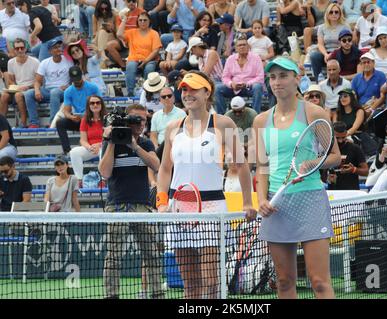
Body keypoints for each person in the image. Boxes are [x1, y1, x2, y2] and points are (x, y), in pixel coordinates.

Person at [156, 70, 256, 299]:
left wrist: (248, 202)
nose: (187, 94)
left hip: (212, 210)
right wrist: (162, 202)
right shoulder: (173, 127)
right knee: (189, 285)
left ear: (207, 92)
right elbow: (164, 169)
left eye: (193, 89)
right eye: (183, 89)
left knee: (211, 283)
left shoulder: (222, 123)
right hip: (179, 210)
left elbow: (241, 165)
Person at [252, 57, 341, 299]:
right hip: (276, 205)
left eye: (283, 76)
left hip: (310, 199)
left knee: (319, 281)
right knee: (283, 281)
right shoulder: (260, 121)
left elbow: (335, 157)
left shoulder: (314, 112)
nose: (277, 82)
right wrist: (261, 199)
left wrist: (312, 163)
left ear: (296, 79)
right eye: (272, 77)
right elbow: (262, 167)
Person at [99, 103, 163, 299]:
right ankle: (111, 296)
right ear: (126, 120)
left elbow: (156, 165)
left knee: (151, 254)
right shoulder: (111, 143)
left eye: (144, 120)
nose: (140, 124)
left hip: (142, 206)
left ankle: (157, 294)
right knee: (114, 257)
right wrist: (111, 141)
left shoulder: (145, 143)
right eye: (136, 119)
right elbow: (104, 172)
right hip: (116, 205)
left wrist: (134, 146)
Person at [23, 39, 73, 128]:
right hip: (47, 91)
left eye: (59, 47)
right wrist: (37, 90)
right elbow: (37, 81)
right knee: (28, 94)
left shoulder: (68, 61)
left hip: (63, 91)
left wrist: (69, 86)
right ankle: (34, 123)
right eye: (55, 47)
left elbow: (74, 78)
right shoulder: (45, 63)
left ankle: (53, 123)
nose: (58, 49)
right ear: (50, 51)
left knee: (55, 92)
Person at [56, 66, 102, 155]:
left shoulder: (93, 87)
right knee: (60, 123)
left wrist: (91, 115)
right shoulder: (68, 91)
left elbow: (100, 105)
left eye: (78, 79)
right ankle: (67, 151)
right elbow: (66, 111)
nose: (77, 82)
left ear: (82, 76)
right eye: (74, 80)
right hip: (79, 120)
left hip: (93, 119)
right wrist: (71, 117)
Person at [215, 35, 264, 114]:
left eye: (244, 45)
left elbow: (260, 77)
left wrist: (247, 84)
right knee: (217, 88)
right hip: (234, 87)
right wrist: (231, 84)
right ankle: (222, 116)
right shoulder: (230, 59)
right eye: (239, 45)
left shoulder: (256, 58)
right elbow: (225, 77)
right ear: (236, 48)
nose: (242, 47)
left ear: (248, 47)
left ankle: (255, 115)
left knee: (257, 86)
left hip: (249, 88)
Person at [117, 11, 162, 97]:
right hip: (134, 58)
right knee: (130, 66)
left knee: (149, 68)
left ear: (149, 21)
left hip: (149, 59)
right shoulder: (132, 32)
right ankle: (130, 93)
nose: (142, 22)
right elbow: (119, 34)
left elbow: (156, 50)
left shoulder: (154, 33)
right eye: (140, 20)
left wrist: (145, 61)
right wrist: (124, 20)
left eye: (145, 20)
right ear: (137, 22)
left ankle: (147, 92)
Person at [0, 38, 39, 128]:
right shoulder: (10, 62)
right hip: (18, 89)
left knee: (18, 95)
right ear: (14, 50)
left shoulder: (35, 61)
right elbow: (10, 80)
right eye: (17, 48)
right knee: (4, 95)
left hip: (31, 89)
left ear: (25, 48)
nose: (20, 50)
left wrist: (27, 87)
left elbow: (38, 81)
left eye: (22, 48)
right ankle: (2, 124)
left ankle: (23, 122)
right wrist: (16, 86)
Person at [310, 2, 350, 82]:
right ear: (327, 14)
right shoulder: (322, 27)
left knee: (338, 56)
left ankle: (337, 80)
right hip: (326, 53)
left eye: (336, 12)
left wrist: (333, 54)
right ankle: (318, 81)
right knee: (314, 56)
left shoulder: (345, 26)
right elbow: (320, 44)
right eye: (331, 12)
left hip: (341, 52)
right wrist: (325, 54)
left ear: (340, 14)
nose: (334, 14)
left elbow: (347, 43)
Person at [69, 95, 106, 182]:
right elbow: (83, 140)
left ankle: (104, 180)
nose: (95, 105)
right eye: (92, 103)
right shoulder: (85, 120)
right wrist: (90, 147)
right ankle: (79, 180)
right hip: (91, 148)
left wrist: (99, 145)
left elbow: (110, 138)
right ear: (88, 106)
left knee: (103, 151)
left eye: (98, 102)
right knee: (74, 152)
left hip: (104, 146)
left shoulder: (107, 118)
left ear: (101, 105)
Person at [327, 121, 368, 190]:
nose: (340, 141)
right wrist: (327, 178)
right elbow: (322, 176)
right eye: (337, 138)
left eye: (343, 137)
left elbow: (366, 171)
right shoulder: (327, 149)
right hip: (333, 192)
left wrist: (353, 170)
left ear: (346, 134)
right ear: (331, 135)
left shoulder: (354, 148)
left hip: (352, 191)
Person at [105, 0, 144, 69]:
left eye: (133, 1)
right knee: (109, 45)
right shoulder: (121, 14)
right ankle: (123, 65)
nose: (131, 3)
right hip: (123, 39)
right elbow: (118, 32)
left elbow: (144, 29)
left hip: (136, 38)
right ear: (125, 2)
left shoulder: (142, 12)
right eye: (129, 1)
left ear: (136, 2)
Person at [92, 0, 119, 65]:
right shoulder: (95, 16)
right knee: (101, 31)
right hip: (99, 37)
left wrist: (112, 29)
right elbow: (94, 33)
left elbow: (118, 33)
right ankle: (104, 57)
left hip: (111, 37)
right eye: (102, 9)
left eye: (106, 9)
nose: (104, 11)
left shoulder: (114, 15)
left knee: (94, 44)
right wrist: (101, 29)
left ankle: (103, 57)